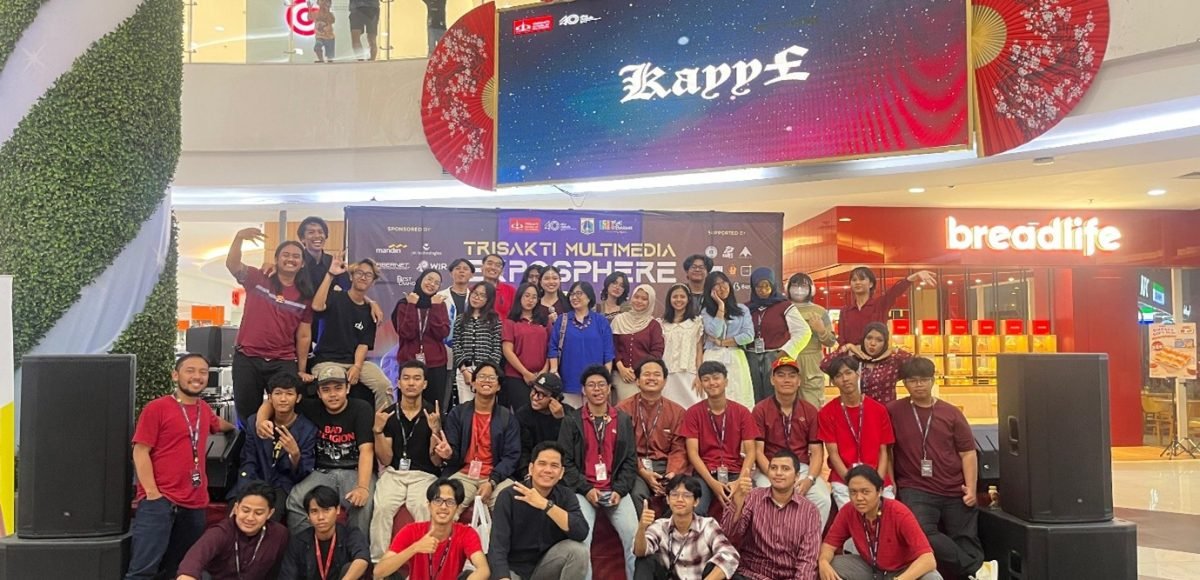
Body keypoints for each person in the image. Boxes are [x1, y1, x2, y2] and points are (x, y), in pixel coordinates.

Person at [126, 354, 237, 580]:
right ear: (175, 375)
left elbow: (220, 425)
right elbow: (140, 451)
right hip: (160, 501)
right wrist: (152, 493)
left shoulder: (204, 409)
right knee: (142, 571)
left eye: (203, 372)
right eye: (190, 370)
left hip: (195, 503)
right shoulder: (157, 408)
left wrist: (238, 427)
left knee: (182, 570)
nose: (197, 376)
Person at [888, 358, 996, 580]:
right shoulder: (894, 411)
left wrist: (971, 488)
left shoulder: (951, 413)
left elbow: (967, 453)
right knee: (921, 532)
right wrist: (891, 482)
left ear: (933, 380)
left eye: (924, 379)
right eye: (912, 380)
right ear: (905, 384)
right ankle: (978, 570)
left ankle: (974, 573)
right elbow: (886, 450)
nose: (919, 385)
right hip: (915, 487)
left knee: (965, 537)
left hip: (954, 486)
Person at [256, 366, 376, 536]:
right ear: (318, 393)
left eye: (338, 388)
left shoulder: (361, 408)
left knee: (363, 503)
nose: (332, 394)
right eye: (326, 390)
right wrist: (261, 421)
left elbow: (367, 450)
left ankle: (357, 549)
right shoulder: (311, 407)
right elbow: (271, 402)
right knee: (296, 500)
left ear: (348, 388)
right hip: (321, 471)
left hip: (354, 470)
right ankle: (305, 546)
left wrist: (362, 487)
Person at [557, 365, 639, 580]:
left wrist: (620, 490)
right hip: (584, 491)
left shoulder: (622, 420)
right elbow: (565, 461)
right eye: (591, 385)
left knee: (634, 538)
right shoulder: (572, 421)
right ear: (583, 390)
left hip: (615, 490)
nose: (597, 389)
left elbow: (630, 460)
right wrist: (586, 489)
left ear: (609, 388)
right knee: (582, 539)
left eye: (601, 384)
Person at [226, 227, 314, 423]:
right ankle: (249, 443)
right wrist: (238, 238)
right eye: (285, 255)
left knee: (285, 411)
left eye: (296, 256)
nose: (290, 259)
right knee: (247, 413)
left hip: (282, 360)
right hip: (248, 357)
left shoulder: (305, 295)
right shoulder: (258, 278)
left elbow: (304, 335)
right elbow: (232, 265)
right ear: (276, 259)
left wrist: (301, 369)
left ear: (302, 264)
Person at [369, 360, 443, 562]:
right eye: (406, 378)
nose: (411, 383)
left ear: (425, 384)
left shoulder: (433, 415)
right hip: (394, 473)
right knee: (382, 508)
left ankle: (425, 564)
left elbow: (436, 461)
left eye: (417, 378)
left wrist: (435, 431)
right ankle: (380, 565)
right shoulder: (388, 414)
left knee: (423, 507)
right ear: (398, 383)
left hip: (424, 475)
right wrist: (377, 431)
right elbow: (386, 459)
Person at [488, 442, 590, 580]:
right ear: (531, 468)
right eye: (542, 464)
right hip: (514, 569)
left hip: (547, 567)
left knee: (578, 551)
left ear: (561, 473)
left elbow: (581, 532)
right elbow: (497, 547)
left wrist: (546, 505)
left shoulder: (566, 495)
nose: (548, 470)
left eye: (554, 466)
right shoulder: (509, 496)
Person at [751, 356, 832, 529]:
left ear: (799, 380)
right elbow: (757, 451)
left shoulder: (809, 410)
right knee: (768, 500)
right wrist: (774, 474)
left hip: (801, 468)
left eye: (791, 375)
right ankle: (776, 543)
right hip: (769, 468)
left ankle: (810, 543)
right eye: (781, 375)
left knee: (823, 499)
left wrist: (810, 479)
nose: (786, 380)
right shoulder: (760, 410)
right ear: (772, 380)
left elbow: (817, 452)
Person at [819, 466, 942, 580]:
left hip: (902, 570)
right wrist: (823, 562)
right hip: (870, 568)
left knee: (932, 577)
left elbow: (928, 559)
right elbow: (829, 545)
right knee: (830, 564)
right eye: (853, 492)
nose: (859, 498)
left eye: (865, 492)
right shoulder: (848, 511)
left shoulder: (899, 513)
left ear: (880, 491)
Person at [434, 361, 521, 513]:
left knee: (513, 508)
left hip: (495, 476)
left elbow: (511, 457)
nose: (486, 381)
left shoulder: (507, 418)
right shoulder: (458, 413)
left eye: (492, 378)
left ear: (499, 386)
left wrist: (492, 482)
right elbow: (453, 454)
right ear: (473, 383)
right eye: (481, 377)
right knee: (444, 508)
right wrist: (449, 454)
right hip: (464, 474)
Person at [722, 452, 823, 580]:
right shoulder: (753, 497)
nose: (778, 473)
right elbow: (729, 535)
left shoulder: (810, 511)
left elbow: (807, 561)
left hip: (787, 577)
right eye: (774, 468)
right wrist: (737, 503)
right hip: (751, 575)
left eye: (785, 469)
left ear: (797, 476)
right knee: (714, 567)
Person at [229, 372, 317, 519]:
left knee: (271, 517)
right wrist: (245, 493)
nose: (283, 399)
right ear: (270, 397)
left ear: (298, 398)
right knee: (236, 515)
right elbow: (248, 461)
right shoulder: (254, 423)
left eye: (289, 394)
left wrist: (295, 455)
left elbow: (302, 474)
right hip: (254, 480)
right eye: (278, 393)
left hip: (282, 487)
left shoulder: (307, 429)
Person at [312, 256, 392, 411]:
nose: (363, 277)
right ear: (351, 276)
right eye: (359, 273)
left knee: (384, 386)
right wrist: (330, 274)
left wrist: (357, 366)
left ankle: (382, 424)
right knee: (337, 383)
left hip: (354, 361)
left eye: (368, 275)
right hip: (327, 360)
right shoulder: (336, 297)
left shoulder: (371, 312)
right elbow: (317, 306)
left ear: (373, 282)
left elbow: (363, 344)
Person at [680, 361, 759, 515]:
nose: (712, 383)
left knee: (754, 506)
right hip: (705, 474)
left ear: (726, 381)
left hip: (736, 472)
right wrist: (713, 483)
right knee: (696, 509)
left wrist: (740, 481)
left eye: (716, 378)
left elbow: (751, 452)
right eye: (706, 379)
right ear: (701, 383)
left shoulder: (742, 412)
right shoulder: (693, 413)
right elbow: (693, 453)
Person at [374, 478, 489, 580]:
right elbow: (378, 572)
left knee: (469, 574)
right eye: (438, 501)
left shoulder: (466, 533)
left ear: (457, 508)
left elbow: (483, 570)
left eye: (450, 502)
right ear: (429, 505)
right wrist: (415, 548)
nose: (443, 507)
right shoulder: (411, 530)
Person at [819, 356, 895, 509]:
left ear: (858, 374)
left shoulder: (879, 410)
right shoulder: (827, 413)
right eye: (839, 376)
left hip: (877, 476)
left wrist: (877, 482)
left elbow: (883, 452)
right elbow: (833, 454)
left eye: (848, 373)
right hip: (844, 479)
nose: (845, 379)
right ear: (833, 382)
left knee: (888, 514)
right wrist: (852, 482)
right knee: (851, 516)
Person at [632, 475, 739, 580]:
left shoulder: (708, 525)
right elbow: (639, 551)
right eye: (674, 495)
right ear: (668, 499)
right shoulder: (660, 526)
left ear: (696, 501)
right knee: (644, 560)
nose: (680, 499)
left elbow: (730, 555)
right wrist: (642, 528)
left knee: (720, 567)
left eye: (686, 495)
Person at [177, 482, 290, 580]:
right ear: (236, 508)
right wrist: (188, 575)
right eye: (245, 510)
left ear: (270, 513)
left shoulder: (280, 534)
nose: (250, 518)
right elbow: (193, 561)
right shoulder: (220, 532)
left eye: (258, 513)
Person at [616, 358, 687, 510]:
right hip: (635, 466)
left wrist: (671, 474)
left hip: (666, 465)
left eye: (657, 375)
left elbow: (679, 449)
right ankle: (644, 527)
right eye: (646, 374)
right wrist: (643, 472)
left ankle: (668, 527)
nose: (652, 378)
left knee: (678, 493)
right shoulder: (623, 409)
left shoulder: (677, 412)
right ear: (637, 381)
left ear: (665, 381)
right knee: (637, 493)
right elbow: (624, 449)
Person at [744, 268, 812, 403]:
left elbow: (804, 331)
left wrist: (786, 352)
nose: (763, 290)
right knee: (752, 397)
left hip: (774, 358)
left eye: (767, 286)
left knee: (776, 398)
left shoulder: (784, 306)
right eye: (759, 286)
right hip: (751, 358)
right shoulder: (746, 308)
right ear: (753, 287)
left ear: (773, 285)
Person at [279, 485, 371, 579]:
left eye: (326, 510)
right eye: (314, 511)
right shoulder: (298, 542)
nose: (321, 517)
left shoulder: (350, 534)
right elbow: (287, 576)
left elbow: (362, 559)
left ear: (337, 510)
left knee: (349, 568)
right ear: (308, 516)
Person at [548, 281, 615, 409]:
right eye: (572, 294)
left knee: (594, 417)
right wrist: (554, 370)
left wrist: (605, 379)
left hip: (595, 384)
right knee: (571, 418)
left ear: (589, 297)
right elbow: (553, 348)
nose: (574, 297)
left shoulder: (600, 321)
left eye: (579, 293)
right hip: (568, 381)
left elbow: (608, 353)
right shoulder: (562, 320)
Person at [393, 269, 452, 408]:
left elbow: (441, 333)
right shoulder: (404, 304)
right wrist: (412, 305)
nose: (432, 284)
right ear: (420, 280)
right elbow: (406, 333)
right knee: (408, 405)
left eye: (437, 283)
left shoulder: (439, 304)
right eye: (429, 279)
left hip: (435, 364)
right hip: (409, 362)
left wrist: (435, 307)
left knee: (434, 406)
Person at [838, 267, 936, 347]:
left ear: (871, 284)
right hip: (850, 359)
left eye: (862, 279)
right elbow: (842, 340)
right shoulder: (845, 311)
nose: (857, 282)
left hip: (876, 358)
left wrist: (914, 277)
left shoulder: (880, 304)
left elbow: (895, 291)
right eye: (854, 280)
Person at [823, 322, 913, 405]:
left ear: (885, 342)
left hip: (886, 414)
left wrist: (894, 350)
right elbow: (824, 365)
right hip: (860, 413)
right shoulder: (854, 362)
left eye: (879, 340)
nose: (872, 343)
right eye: (869, 338)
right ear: (863, 339)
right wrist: (848, 347)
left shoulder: (892, 363)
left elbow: (916, 364)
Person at [701, 271, 755, 407]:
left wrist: (722, 342)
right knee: (713, 396)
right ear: (710, 290)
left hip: (735, 356)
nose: (722, 287)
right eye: (716, 285)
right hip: (712, 356)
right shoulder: (706, 312)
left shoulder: (742, 309)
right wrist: (720, 306)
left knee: (740, 396)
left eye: (724, 283)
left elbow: (748, 335)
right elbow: (715, 332)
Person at [786, 273, 838, 409]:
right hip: (787, 358)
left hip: (812, 360)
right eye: (795, 285)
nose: (799, 289)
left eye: (803, 286)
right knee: (786, 404)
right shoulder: (782, 309)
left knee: (812, 405)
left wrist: (821, 330)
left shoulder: (820, 311)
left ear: (811, 289)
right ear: (788, 288)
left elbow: (831, 341)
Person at [452, 281, 504, 405]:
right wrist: (464, 371)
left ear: (488, 300)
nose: (476, 297)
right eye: (475, 293)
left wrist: (486, 371)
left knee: (485, 406)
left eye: (482, 295)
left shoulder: (494, 320)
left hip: (487, 372)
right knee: (466, 406)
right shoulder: (461, 319)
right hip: (465, 371)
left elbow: (497, 348)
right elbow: (456, 345)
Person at [611, 284, 666, 401]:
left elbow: (657, 352)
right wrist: (621, 368)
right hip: (622, 375)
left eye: (644, 299)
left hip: (645, 377)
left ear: (650, 302)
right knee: (626, 408)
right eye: (636, 297)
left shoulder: (654, 325)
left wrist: (641, 371)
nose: (639, 301)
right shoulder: (619, 320)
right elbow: (612, 346)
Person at [502, 282, 551, 409]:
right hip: (517, 376)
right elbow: (507, 350)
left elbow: (551, 348)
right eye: (527, 296)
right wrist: (525, 373)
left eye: (534, 297)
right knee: (522, 413)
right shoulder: (510, 322)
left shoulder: (544, 321)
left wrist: (544, 371)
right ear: (519, 297)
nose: (530, 300)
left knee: (541, 414)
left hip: (541, 376)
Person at [516, 373, 573, 475]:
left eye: (541, 394)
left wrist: (562, 420)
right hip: (532, 469)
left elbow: (570, 449)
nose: (535, 397)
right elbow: (522, 451)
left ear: (556, 399)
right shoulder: (523, 414)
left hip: (561, 469)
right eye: (534, 390)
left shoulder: (569, 414)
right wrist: (527, 474)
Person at [659, 283, 705, 408]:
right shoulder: (662, 324)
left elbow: (699, 352)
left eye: (682, 296)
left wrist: (699, 375)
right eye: (675, 297)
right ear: (669, 299)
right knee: (669, 410)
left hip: (689, 374)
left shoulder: (696, 322)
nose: (678, 300)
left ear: (688, 299)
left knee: (694, 407)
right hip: (668, 375)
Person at [482, 253, 517, 317]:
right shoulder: (472, 290)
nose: (493, 267)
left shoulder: (511, 291)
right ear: (482, 267)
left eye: (497, 265)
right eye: (489, 263)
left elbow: (515, 315)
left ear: (502, 271)